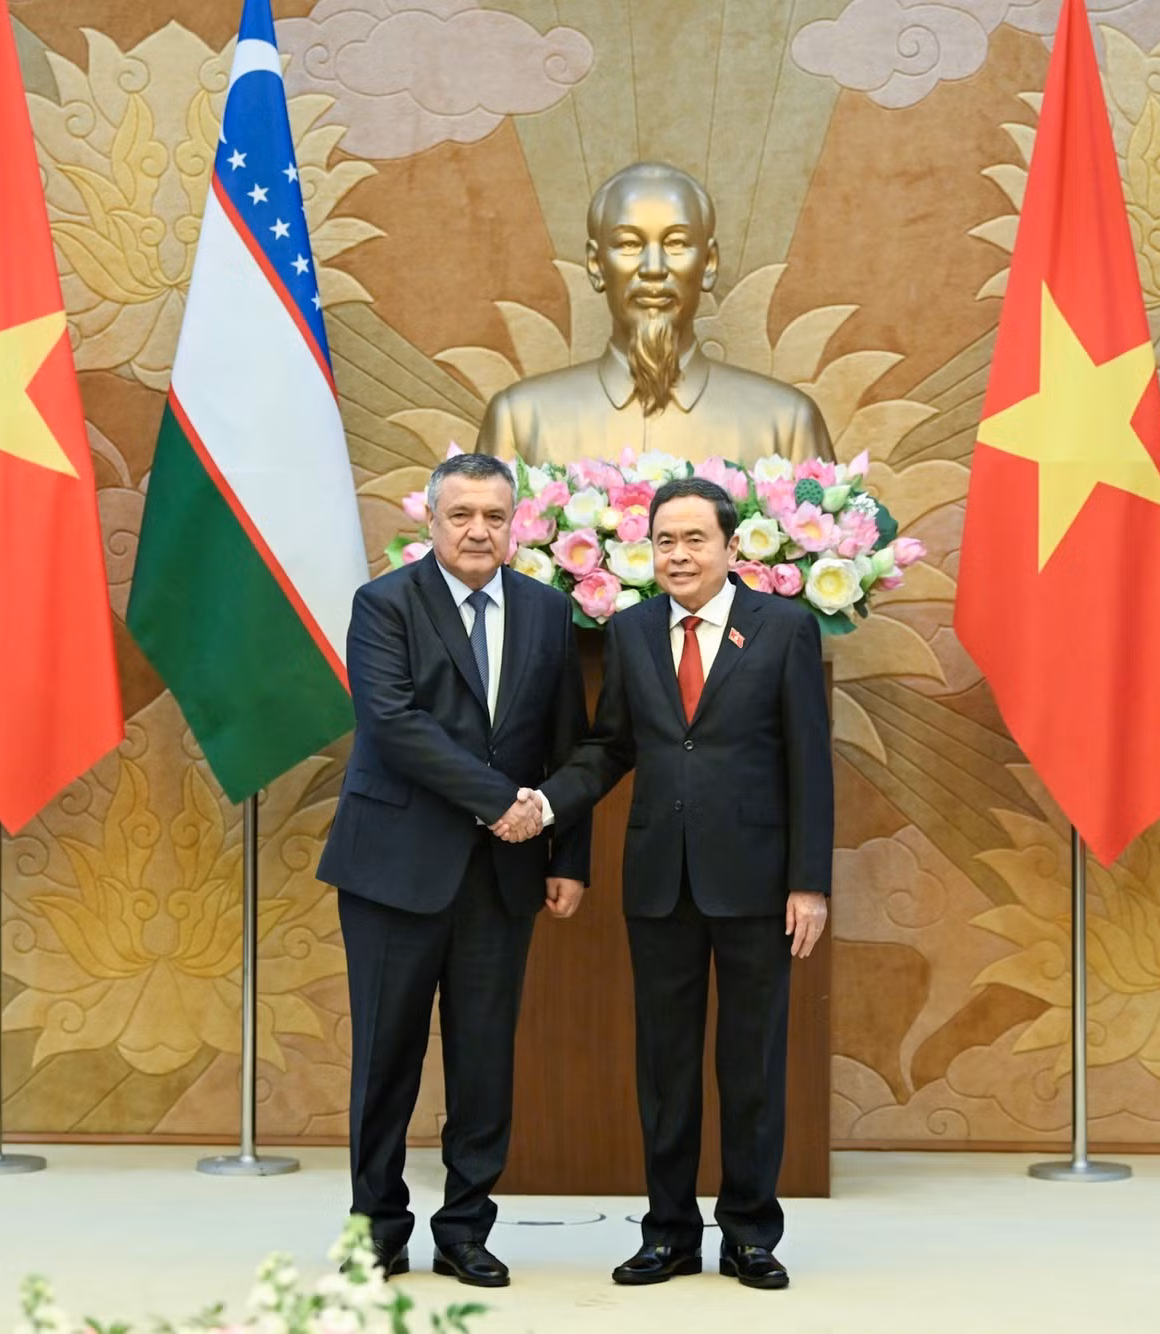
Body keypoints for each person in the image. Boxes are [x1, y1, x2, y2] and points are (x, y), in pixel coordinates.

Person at [532, 476, 833, 1290]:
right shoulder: (631, 631)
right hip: (660, 879)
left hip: (757, 883)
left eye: (696, 539)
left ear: (732, 548)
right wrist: (547, 803)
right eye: (664, 540)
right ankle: (668, 1232)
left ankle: (750, 1234)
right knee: (666, 1068)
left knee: (752, 1063)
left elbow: (810, 761)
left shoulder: (784, 628)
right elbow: (611, 746)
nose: (678, 554)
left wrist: (808, 882)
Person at [315, 453, 589, 1288]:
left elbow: (566, 741)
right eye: (461, 514)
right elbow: (393, 723)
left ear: (516, 526)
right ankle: (376, 1228)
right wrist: (501, 802)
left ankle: (466, 1229)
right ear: (431, 521)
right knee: (385, 1058)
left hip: (502, 878)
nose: (477, 531)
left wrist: (568, 855)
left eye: (494, 516)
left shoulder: (548, 611)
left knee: (483, 1062)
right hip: (393, 871)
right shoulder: (384, 604)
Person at [475, 161, 832, 466]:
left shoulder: (787, 424)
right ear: (596, 265)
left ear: (708, 263)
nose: (653, 268)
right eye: (629, 244)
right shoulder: (520, 421)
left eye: (676, 243)